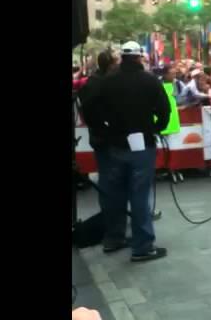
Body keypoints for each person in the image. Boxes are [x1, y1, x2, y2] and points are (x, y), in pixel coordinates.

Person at [94, 41, 170, 262]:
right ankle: (142, 246)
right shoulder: (149, 80)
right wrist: (155, 128)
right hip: (141, 145)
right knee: (139, 195)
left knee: (114, 194)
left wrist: (107, 133)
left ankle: (114, 238)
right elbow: (164, 110)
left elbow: (94, 110)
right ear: (139, 57)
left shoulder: (108, 81)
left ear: (123, 58)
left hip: (116, 145)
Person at [77, 50, 117, 217]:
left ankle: (115, 214)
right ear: (110, 64)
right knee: (109, 178)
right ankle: (111, 215)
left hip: (103, 136)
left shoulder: (97, 82)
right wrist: (104, 126)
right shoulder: (98, 84)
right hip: (105, 137)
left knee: (110, 177)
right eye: (116, 62)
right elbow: (88, 110)